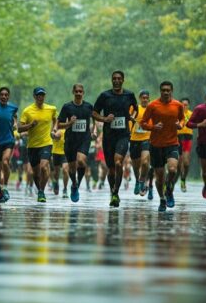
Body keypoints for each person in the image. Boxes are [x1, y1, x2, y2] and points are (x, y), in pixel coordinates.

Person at [93, 70, 138, 208]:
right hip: (108, 137)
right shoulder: (104, 96)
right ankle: (113, 191)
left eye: (119, 78)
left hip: (123, 135)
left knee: (119, 162)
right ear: (111, 80)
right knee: (111, 170)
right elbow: (94, 113)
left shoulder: (129, 95)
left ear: (123, 80)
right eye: (114, 78)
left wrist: (132, 117)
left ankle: (115, 193)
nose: (116, 80)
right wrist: (104, 119)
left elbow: (135, 109)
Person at [140, 81, 185, 212]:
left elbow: (182, 119)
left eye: (168, 90)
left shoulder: (178, 105)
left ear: (172, 91)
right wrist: (153, 127)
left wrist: (180, 125)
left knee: (172, 170)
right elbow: (142, 123)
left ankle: (169, 188)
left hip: (172, 144)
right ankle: (162, 199)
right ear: (160, 91)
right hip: (156, 145)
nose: (166, 92)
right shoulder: (153, 105)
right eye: (163, 90)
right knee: (159, 178)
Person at [57, 83, 97, 203]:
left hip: (84, 139)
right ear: (73, 92)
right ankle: (74, 184)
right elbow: (59, 124)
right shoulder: (67, 107)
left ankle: (77, 184)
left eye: (80, 91)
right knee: (72, 167)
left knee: (81, 161)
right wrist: (69, 124)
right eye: (76, 91)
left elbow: (94, 120)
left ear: (83, 93)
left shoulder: (89, 106)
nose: (78, 93)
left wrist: (94, 131)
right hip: (70, 140)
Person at [19, 87, 58, 203]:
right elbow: (19, 128)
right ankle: (40, 190)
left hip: (46, 143)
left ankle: (41, 191)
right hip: (32, 146)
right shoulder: (27, 111)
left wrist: (54, 129)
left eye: (42, 95)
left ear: (44, 96)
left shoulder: (51, 109)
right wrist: (30, 125)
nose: (40, 97)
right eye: (38, 95)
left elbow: (56, 120)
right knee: (36, 173)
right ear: (34, 96)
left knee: (44, 167)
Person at [129, 90, 152, 197]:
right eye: (143, 97)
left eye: (147, 97)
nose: (145, 99)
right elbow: (129, 120)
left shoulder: (152, 109)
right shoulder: (135, 108)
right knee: (136, 165)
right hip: (134, 139)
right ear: (140, 98)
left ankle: (142, 181)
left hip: (147, 138)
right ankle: (138, 181)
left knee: (145, 162)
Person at [177, 98, 194, 193]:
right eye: (182, 104)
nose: (184, 106)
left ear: (189, 105)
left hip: (187, 138)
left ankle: (183, 179)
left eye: (186, 104)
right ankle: (180, 178)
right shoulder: (176, 113)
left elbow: (196, 123)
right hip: (178, 138)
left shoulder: (191, 114)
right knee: (179, 164)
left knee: (186, 163)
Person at [50, 128, 69, 197]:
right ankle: (56, 183)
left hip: (66, 152)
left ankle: (65, 189)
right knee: (56, 172)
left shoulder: (69, 127)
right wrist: (54, 135)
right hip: (56, 152)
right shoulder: (55, 127)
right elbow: (54, 136)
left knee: (65, 170)